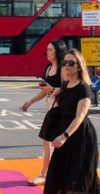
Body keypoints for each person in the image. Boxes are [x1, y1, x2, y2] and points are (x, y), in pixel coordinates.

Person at [22, 48, 100, 194]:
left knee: (88, 174)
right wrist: (53, 91)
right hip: (64, 134)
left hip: (80, 136)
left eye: (72, 63)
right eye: (65, 62)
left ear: (79, 66)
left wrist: (64, 136)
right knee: (55, 170)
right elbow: (59, 91)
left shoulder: (84, 89)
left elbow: (80, 117)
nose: (67, 66)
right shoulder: (66, 86)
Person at [20, 39, 68, 186]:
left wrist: (52, 90)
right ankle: (49, 174)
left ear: (58, 51)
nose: (47, 52)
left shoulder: (63, 69)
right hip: (50, 108)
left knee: (51, 142)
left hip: (62, 109)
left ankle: (46, 175)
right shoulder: (48, 68)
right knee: (48, 142)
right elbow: (44, 91)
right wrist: (30, 102)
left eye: (50, 50)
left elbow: (67, 91)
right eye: (47, 49)